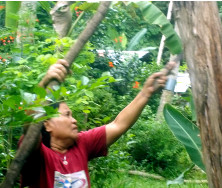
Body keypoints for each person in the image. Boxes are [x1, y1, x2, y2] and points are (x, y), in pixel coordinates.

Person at [19, 59, 174, 188]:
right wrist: (45, 83)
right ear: (47, 124)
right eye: (67, 115)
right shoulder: (40, 156)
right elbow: (29, 128)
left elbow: (118, 125)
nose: (74, 120)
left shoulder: (82, 143)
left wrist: (146, 92)